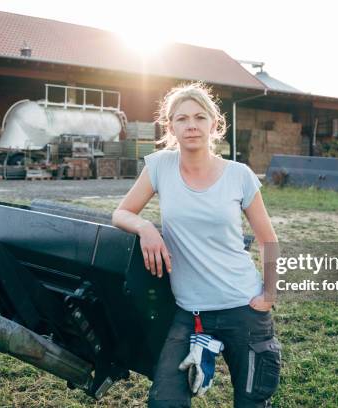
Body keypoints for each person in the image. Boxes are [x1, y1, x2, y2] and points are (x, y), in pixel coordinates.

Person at [112, 82, 280, 408]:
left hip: (242, 308)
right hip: (191, 313)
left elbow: (268, 240)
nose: (191, 125)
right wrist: (145, 226)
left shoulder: (239, 175)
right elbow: (121, 212)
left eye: (200, 118)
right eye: (182, 119)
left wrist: (269, 293)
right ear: (170, 126)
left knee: (252, 403)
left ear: (214, 125)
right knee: (165, 401)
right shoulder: (159, 166)